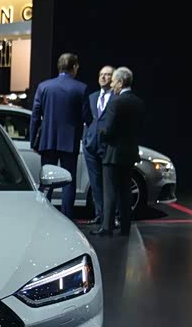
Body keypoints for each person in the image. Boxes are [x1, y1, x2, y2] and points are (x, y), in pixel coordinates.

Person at [29, 52, 91, 219]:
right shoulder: (81, 88)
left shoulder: (44, 87)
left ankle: (43, 216)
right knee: (68, 182)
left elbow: (35, 116)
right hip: (70, 142)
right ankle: (67, 218)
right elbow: (87, 118)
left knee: (46, 181)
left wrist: (33, 141)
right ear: (74, 67)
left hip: (47, 140)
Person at [92, 67, 144, 237]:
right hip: (130, 154)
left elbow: (108, 130)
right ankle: (125, 227)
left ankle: (107, 227)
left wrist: (100, 133)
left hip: (113, 154)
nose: (112, 84)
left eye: (114, 81)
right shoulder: (138, 102)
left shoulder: (115, 103)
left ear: (121, 82)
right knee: (125, 191)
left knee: (110, 192)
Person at [82, 65, 115, 226]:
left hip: (109, 146)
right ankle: (100, 215)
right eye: (101, 74)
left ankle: (112, 217)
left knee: (110, 183)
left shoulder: (117, 97)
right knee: (95, 183)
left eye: (107, 75)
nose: (103, 77)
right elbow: (87, 118)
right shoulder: (92, 97)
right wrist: (85, 139)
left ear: (113, 78)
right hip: (91, 145)